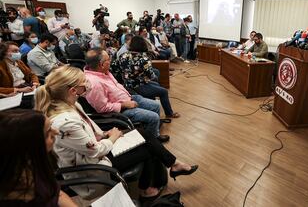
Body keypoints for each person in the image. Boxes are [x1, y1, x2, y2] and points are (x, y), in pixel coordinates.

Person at [34, 66, 197, 199]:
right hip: (92, 165)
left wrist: (104, 134)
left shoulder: (71, 104)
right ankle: (147, 189)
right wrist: (112, 137)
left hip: (95, 151)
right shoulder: (65, 122)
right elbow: (95, 151)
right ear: (72, 90)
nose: (88, 85)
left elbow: (88, 131)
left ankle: (174, 165)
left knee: (142, 134)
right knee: (148, 148)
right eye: (84, 83)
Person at [84, 49, 169, 142]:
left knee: (156, 105)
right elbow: (102, 108)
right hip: (120, 111)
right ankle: (152, 142)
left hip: (128, 98)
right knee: (154, 117)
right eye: (108, 59)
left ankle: (153, 133)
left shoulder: (103, 72)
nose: (111, 61)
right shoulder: (94, 83)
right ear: (101, 64)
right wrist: (124, 105)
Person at [0, 109, 77, 206]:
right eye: (48, 132)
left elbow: (57, 194)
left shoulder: (32, 163)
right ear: (29, 146)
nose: (56, 132)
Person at [114, 36, 180, 118]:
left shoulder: (123, 55)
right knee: (163, 91)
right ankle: (169, 113)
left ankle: (151, 102)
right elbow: (151, 75)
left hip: (127, 85)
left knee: (156, 85)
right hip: (139, 86)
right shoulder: (143, 58)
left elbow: (115, 69)